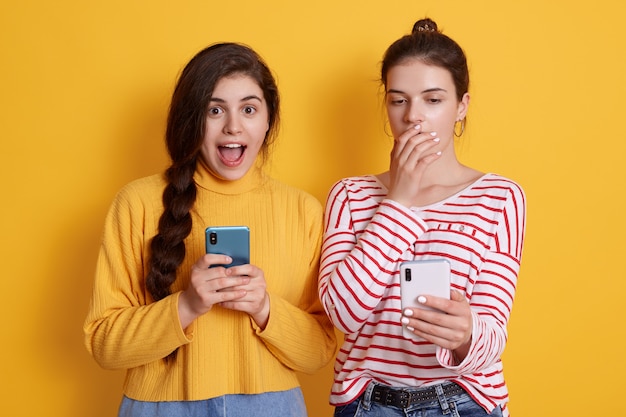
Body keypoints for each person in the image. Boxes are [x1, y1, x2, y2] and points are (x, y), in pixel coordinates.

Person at [84, 42, 337, 417]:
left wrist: (265, 308)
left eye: (249, 109)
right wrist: (186, 305)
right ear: (191, 119)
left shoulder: (302, 211)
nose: (233, 125)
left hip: (272, 407)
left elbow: (320, 352)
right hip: (160, 408)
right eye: (214, 110)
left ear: (268, 119)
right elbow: (104, 345)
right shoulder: (137, 203)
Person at [318, 18, 526, 417]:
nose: (413, 116)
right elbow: (343, 313)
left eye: (433, 100)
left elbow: (492, 336)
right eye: (399, 100)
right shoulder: (349, 195)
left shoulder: (500, 197)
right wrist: (399, 201)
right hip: (368, 404)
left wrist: (466, 335)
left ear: (461, 106)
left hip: (465, 401)